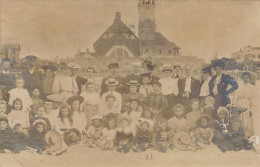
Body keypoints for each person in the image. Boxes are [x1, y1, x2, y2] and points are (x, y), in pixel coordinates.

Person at [233, 72, 255, 138]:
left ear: (249, 79)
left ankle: (247, 135)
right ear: (242, 78)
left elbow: (253, 99)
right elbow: (235, 97)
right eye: (244, 77)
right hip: (239, 104)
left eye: (247, 78)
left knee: (246, 121)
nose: (245, 79)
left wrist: (251, 109)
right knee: (239, 120)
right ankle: (239, 135)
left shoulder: (252, 87)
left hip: (247, 104)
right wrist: (234, 105)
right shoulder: (239, 87)